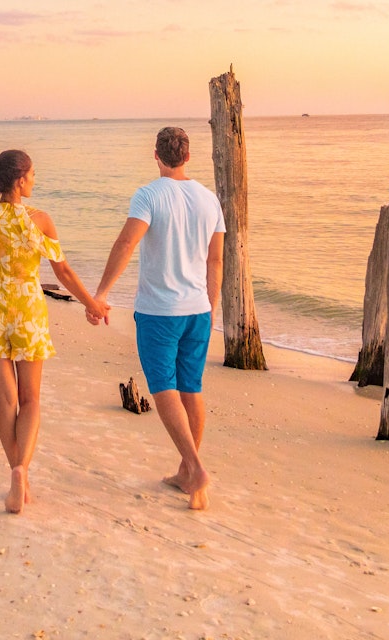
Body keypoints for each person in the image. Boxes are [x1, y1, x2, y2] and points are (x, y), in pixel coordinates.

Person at [0, 149, 109, 514]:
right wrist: (91, 303)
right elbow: (63, 272)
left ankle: (16, 473)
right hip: (28, 309)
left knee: (5, 401)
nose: (35, 180)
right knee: (31, 401)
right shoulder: (40, 220)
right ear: (19, 181)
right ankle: (21, 472)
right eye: (32, 175)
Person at [92, 127, 222, 510]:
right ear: (188, 156)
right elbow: (216, 260)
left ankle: (195, 468)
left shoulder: (149, 194)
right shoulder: (209, 199)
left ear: (156, 156)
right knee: (191, 388)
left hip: (158, 311)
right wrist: (211, 307)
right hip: (198, 309)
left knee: (163, 386)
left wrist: (100, 294)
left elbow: (127, 242)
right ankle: (185, 472)